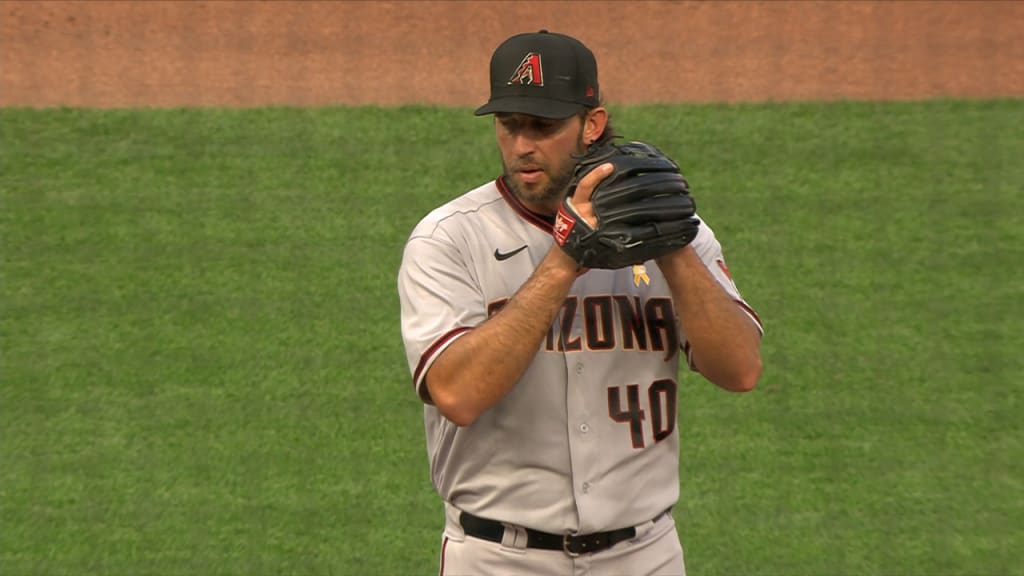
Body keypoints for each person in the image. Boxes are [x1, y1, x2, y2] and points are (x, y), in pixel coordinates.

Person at [397, 29, 764, 576]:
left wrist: (673, 248)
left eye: (542, 127)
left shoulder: (673, 230)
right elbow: (457, 394)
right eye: (509, 125)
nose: (522, 146)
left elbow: (740, 370)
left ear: (591, 125)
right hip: (498, 560)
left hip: (644, 556)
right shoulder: (449, 240)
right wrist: (564, 259)